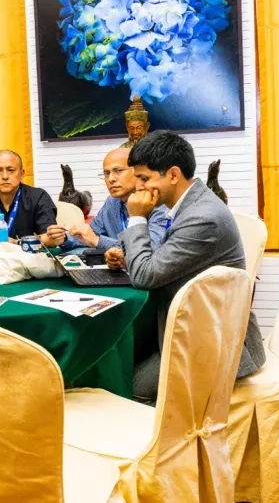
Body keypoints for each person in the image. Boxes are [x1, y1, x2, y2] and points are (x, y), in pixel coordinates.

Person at [104, 131, 265, 404]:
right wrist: (130, 253)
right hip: (188, 327)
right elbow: (161, 259)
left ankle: (162, 445)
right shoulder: (188, 204)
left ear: (174, 174)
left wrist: (137, 219)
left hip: (212, 345)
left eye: (144, 178)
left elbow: (145, 275)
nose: (138, 187)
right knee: (112, 359)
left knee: (124, 385)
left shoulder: (202, 217)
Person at [45, 147, 167, 254]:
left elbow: (150, 249)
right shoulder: (112, 203)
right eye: (106, 173)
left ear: (137, 172)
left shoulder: (158, 203)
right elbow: (88, 235)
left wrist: (98, 241)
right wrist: (63, 238)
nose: (111, 179)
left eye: (118, 171)